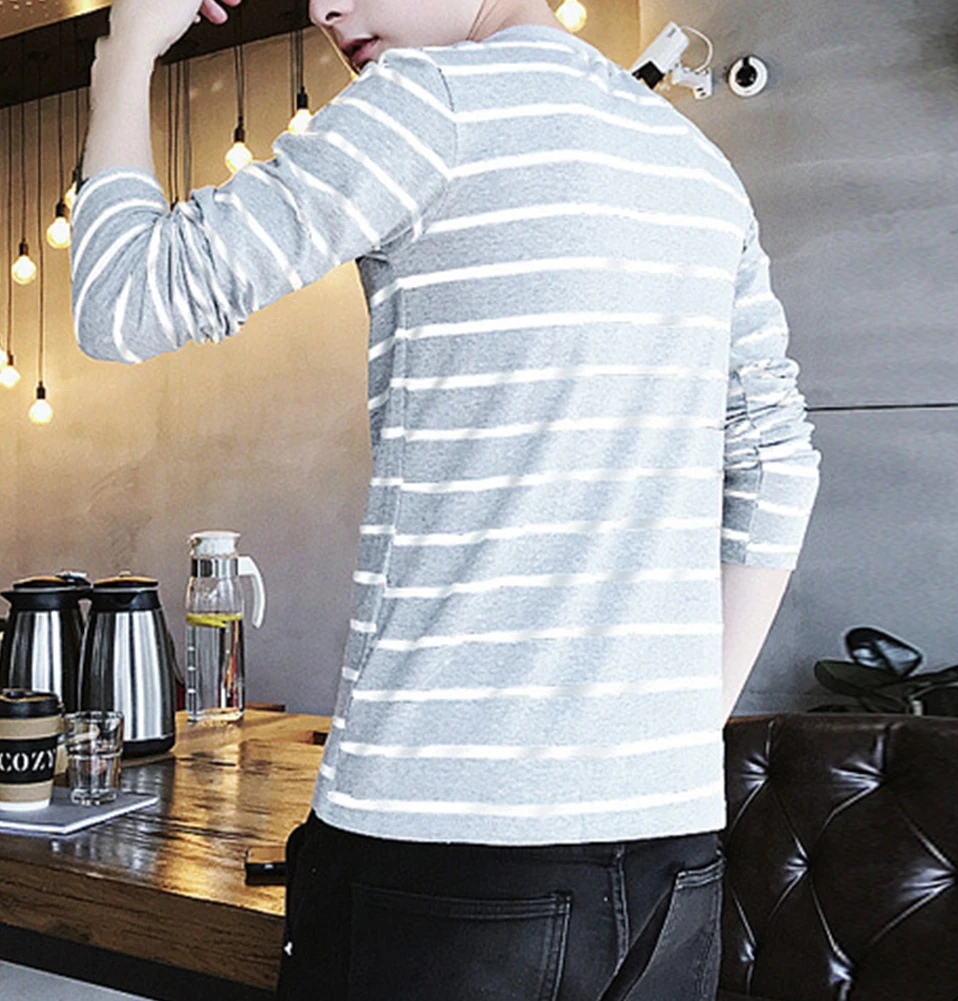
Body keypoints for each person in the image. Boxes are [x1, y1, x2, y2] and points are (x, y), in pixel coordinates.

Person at [72, 0, 822, 997]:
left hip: (444, 858)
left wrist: (124, 53)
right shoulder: (693, 165)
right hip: (666, 854)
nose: (323, 9)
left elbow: (124, 299)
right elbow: (775, 462)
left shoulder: (427, 101)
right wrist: (673, 741)